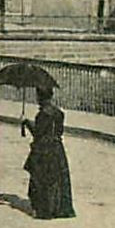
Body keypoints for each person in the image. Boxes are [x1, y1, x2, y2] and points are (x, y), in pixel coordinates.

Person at [23, 87, 75, 219]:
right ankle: (59, 208)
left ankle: (45, 209)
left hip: (44, 149)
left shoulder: (42, 114)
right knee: (57, 179)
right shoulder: (59, 113)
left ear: (40, 97)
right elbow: (59, 131)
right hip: (57, 148)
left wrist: (27, 123)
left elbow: (38, 133)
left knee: (42, 179)